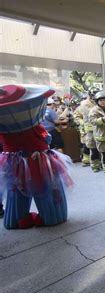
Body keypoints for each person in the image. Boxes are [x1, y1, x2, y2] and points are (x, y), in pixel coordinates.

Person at [0, 84, 73, 229]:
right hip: (39, 160)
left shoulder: (4, 129)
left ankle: (15, 219)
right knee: (47, 188)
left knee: (16, 191)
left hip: (13, 161)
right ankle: (52, 216)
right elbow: (46, 140)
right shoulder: (34, 126)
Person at [74, 87, 100, 169]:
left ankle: (99, 162)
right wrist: (81, 122)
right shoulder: (83, 104)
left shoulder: (99, 102)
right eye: (93, 95)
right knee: (88, 145)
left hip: (99, 127)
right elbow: (76, 115)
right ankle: (86, 160)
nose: (94, 96)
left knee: (99, 145)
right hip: (88, 129)